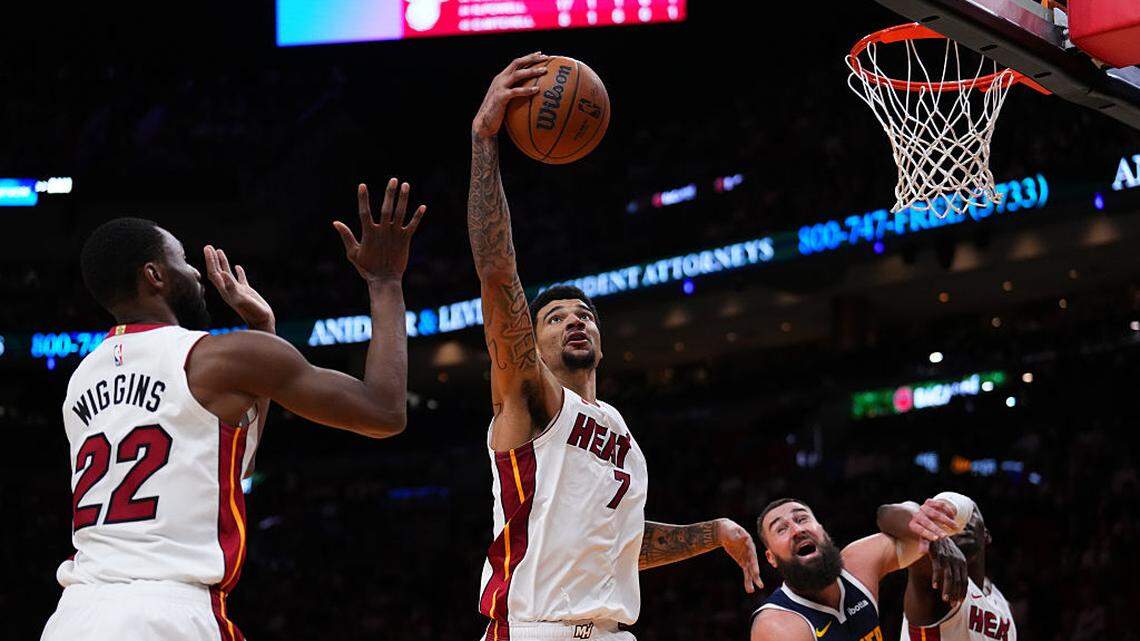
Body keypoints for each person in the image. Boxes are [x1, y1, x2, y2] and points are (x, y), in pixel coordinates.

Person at [41, 179, 426, 641]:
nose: (196, 273)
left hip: (73, 615)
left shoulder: (81, 379)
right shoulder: (217, 358)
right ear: (154, 276)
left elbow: (230, 465)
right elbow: (384, 412)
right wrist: (384, 283)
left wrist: (263, 328)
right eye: (181, 260)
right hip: (165, 613)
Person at [467, 52, 763, 641]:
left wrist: (715, 531)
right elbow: (499, 275)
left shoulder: (618, 428)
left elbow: (622, 542)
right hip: (534, 628)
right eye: (555, 318)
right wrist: (484, 143)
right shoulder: (532, 400)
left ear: (600, 342)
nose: (575, 322)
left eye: (586, 316)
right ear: (532, 337)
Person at [751, 497, 968, 641]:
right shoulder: (777, 626)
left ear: (822, 530)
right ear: (771, 558)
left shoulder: (858, 563)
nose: (797, 530)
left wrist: (936, 538)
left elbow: (906, 512)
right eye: (781, 529)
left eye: (802, 518)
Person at [878, 494, 1017, 641]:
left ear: (986, 534)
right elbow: (886, 514)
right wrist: (934, 539)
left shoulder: (1004, 605)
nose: (960, 521)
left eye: (968, 513)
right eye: (950, 518)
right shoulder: (938, 578)